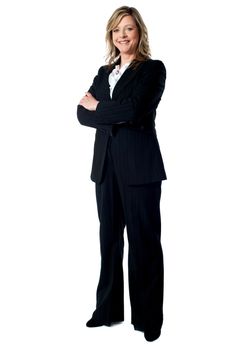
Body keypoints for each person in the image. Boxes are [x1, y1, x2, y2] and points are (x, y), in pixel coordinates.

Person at [77, 6, 167, 342]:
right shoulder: (105, 73)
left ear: (139, 32)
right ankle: (107, 310)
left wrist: (99, 108)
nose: (122, 35)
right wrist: (110, 112)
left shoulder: (152, 70)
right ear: (111, 36)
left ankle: (148, 319)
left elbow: (135, 110)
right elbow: (79, 114)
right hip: (106, 167)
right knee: (109, 240)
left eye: (128, 29)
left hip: (140, 168)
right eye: (117, 30)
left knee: (144, 243)